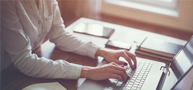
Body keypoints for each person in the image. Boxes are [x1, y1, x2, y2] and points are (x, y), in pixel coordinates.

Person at [1, 0, 136, 82]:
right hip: (6, 77)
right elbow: (24, 61)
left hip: (23, 70)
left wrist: (102, 52)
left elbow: (59, 35)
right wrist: (88, 71)